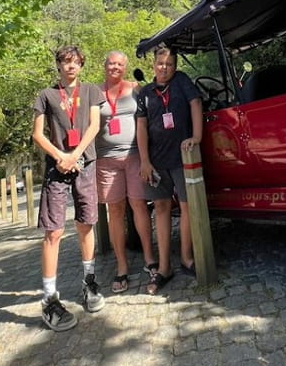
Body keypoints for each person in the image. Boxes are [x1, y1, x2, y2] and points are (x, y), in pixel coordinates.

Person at [33, 46, 104, 331]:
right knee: (54, 231)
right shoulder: (45, 95)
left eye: (75, 62)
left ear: (82, 65)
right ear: (58, 66)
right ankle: (49, 299)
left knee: (86, 224)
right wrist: (61, 157)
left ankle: (90, 282)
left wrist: (76, 155)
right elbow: (38, 134)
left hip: (85, 164)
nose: (71, 66)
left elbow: (94, 126)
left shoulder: (91, 91)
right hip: (57, 168)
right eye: (65, 62)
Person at [136, 46, 203, 295]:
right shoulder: (145, 93)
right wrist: (144, 161)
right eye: (161, 63)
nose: (165, 68)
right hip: (156, 160)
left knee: (187, 206)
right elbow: (141, 128)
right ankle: (164, 267)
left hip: (182, 156)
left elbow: (195, 104)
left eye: (170, 64)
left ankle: (186, 257)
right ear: (153, 64)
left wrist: (196, 137)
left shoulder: (182, 81)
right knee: (162, 208)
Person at [95, 50, 157, 293]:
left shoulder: (136, 88)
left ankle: (150, 259)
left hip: (134, 156)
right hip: (106, 160)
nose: (115, 67)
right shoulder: (94, 93)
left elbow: (149, 118)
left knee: (139, 204)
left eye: (120, 64)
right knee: (115, 210)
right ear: (104, 65)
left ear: (125, 67)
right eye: (111, 63)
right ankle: (121, 266)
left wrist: (148, 157)